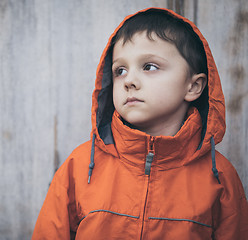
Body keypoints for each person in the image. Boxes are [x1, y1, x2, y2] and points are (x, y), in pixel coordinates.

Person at [32, 7, 248, 239]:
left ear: (193, 86)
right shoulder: (80, 167)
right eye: (120, 70)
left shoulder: (219, 176)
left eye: (149, 67)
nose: (130, 81)